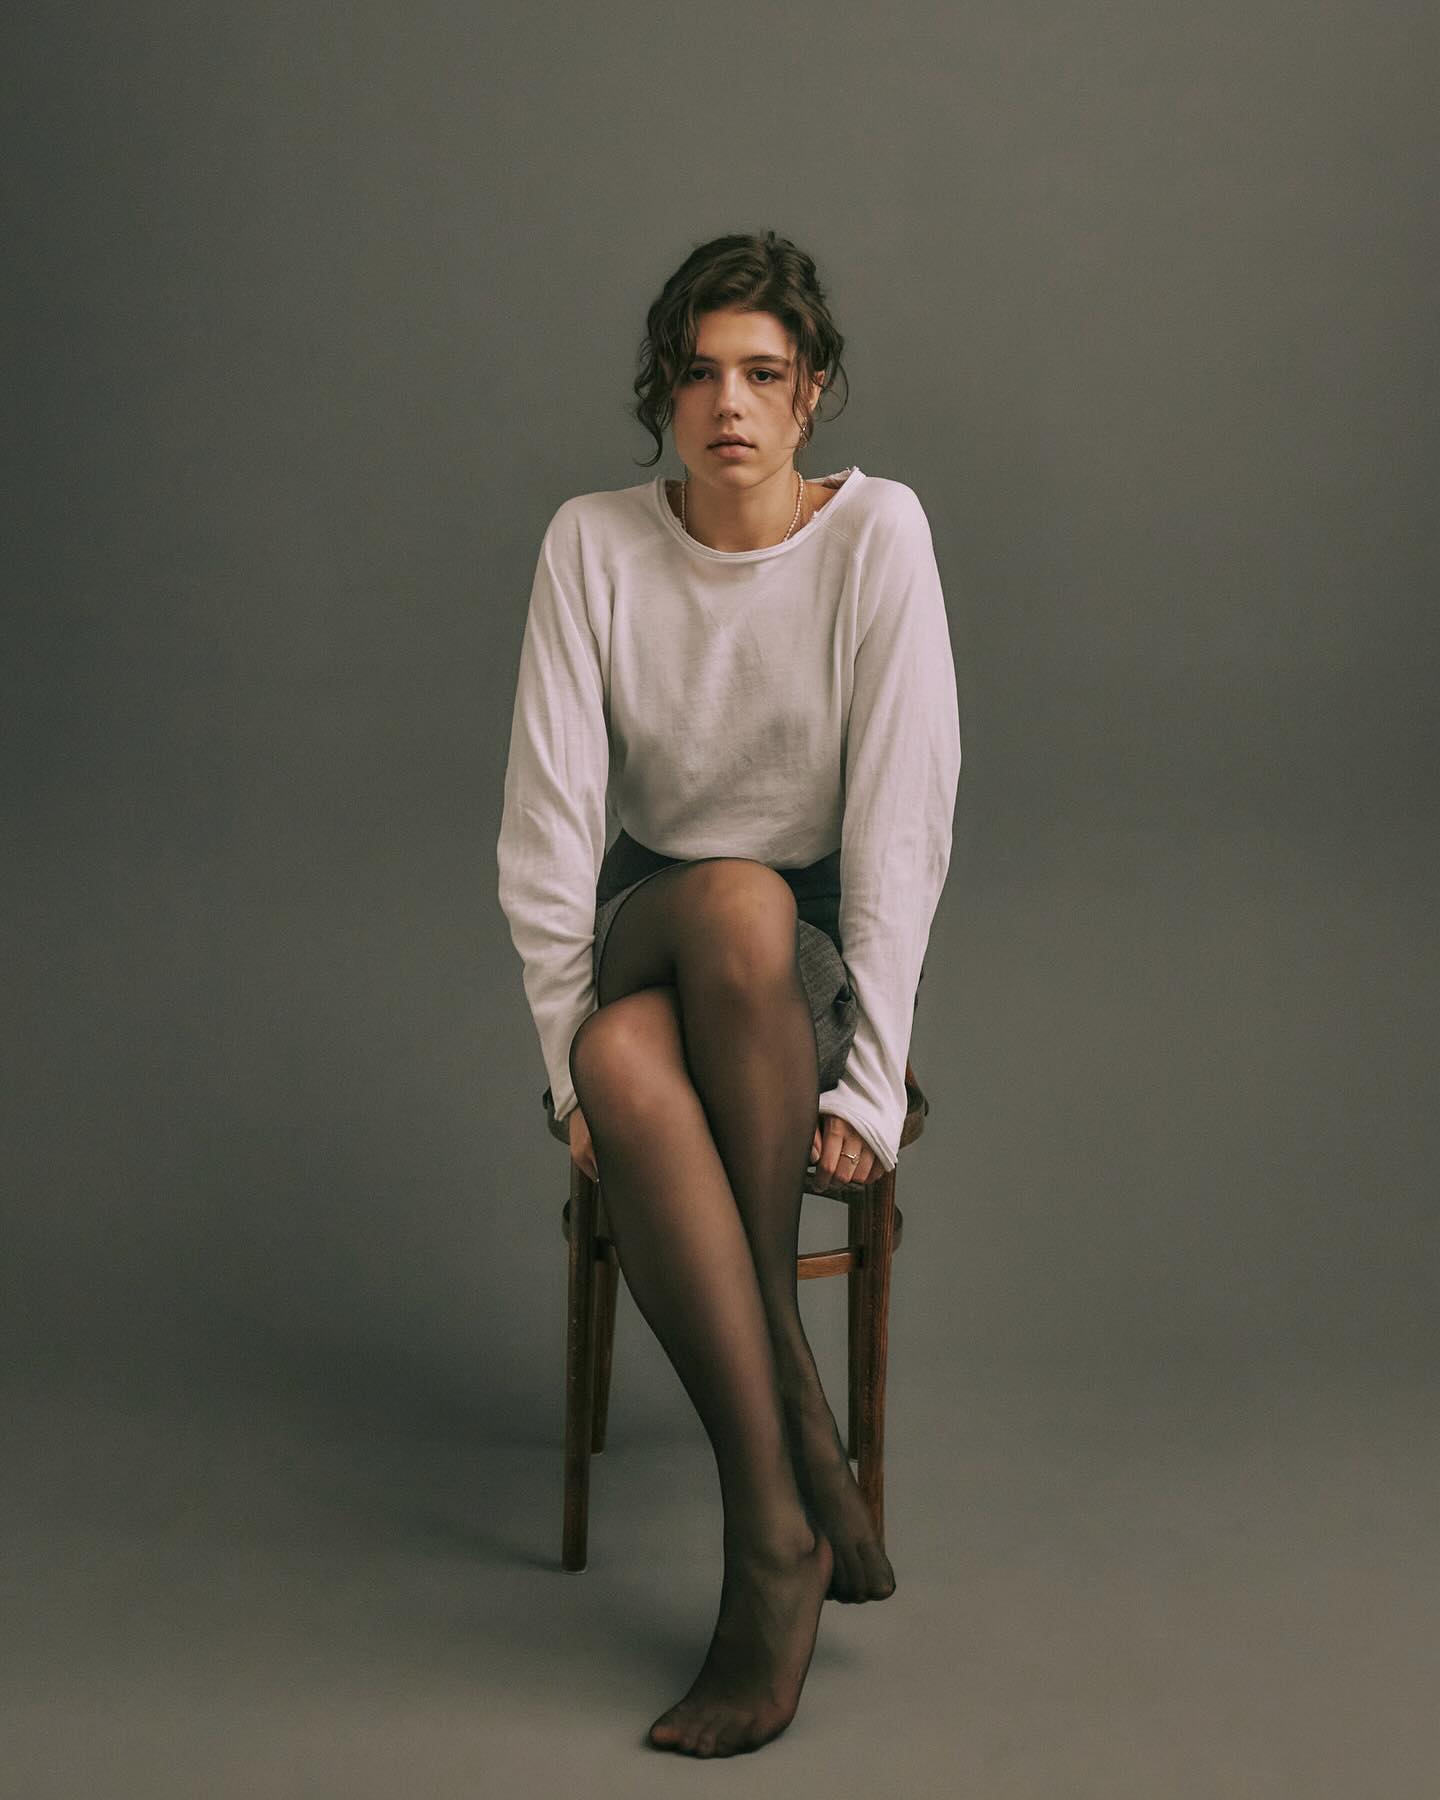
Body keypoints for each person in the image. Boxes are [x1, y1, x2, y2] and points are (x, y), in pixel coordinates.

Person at [496, 229, 961, 1758]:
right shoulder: (592, 544)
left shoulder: (878, 536)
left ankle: (771, 1533)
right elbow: (548, 827)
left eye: (764, 373)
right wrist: (556, 1059)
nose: (730, 405)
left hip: (797, 957)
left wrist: (870, 1082)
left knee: (649, 1053)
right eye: (698, 374)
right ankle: (796, 1451)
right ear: (665, 393)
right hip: (650, 913)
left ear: (813, 390)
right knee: (706, 918)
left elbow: (902, 817)